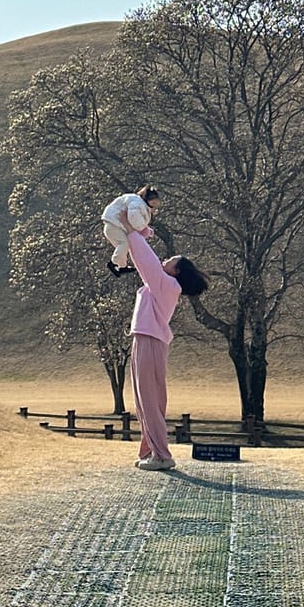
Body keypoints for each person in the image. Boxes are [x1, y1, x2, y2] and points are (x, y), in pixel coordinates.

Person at [121, 209, 209, 471]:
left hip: (149, 341)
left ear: (176, 270)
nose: (165, 260)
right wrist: (137, 233)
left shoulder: (168, 285)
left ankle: (161, 455)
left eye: (170, 260)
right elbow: (143, 264)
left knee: (149, 399)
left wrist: (131, 231)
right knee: (148, 399)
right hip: (148, 340)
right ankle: (150, 449)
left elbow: (146, 260)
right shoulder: (163, 284)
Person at [101, 185, 160, 276]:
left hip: (114, 226)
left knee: (124, 247)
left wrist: (145, 228)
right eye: (153, 201)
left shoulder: (138, 203)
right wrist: (141, 226)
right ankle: (113, 263)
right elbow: (135, 219)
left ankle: (122, 266)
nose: (155, 204)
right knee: (124, 244)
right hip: (114, 225)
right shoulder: (138, 204)